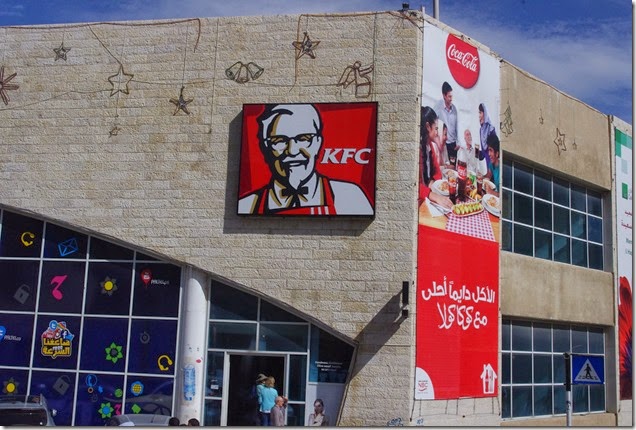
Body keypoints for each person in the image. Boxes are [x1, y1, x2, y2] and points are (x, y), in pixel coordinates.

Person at [237, 103, 373, 215]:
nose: (292, 151)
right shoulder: (248, 205)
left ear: (318, 143)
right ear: (265, 147)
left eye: (303, 139)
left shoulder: (349, 197)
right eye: (279, 140)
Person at [419, 106, 453, 209]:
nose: (438, 133)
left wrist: (435, 185)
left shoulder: (429, 145)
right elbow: (415, 185)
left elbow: (436, 171)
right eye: (436, 128)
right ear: (428, 126)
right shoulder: (417, 149)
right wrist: (435, 196)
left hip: (428, 195)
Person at [434, 81, 459, 164]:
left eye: (452, 96)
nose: (451, 99)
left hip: (453, 145)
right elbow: (433, 121)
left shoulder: (454, 109)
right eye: (449, 96)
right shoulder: (438, 106)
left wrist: (458, 142)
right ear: (444, 96)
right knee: (443, 165)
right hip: (443, 144)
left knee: (452, 167)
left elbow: (457, 127)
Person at [485, 132, 500, 196]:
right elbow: (488, 177)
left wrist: (492, 192)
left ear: (497, 153)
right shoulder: (491, 164)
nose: (489, 154)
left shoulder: (502, 169)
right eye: (488, 150)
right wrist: (480, 177)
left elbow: (506, 196)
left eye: (491, 150)